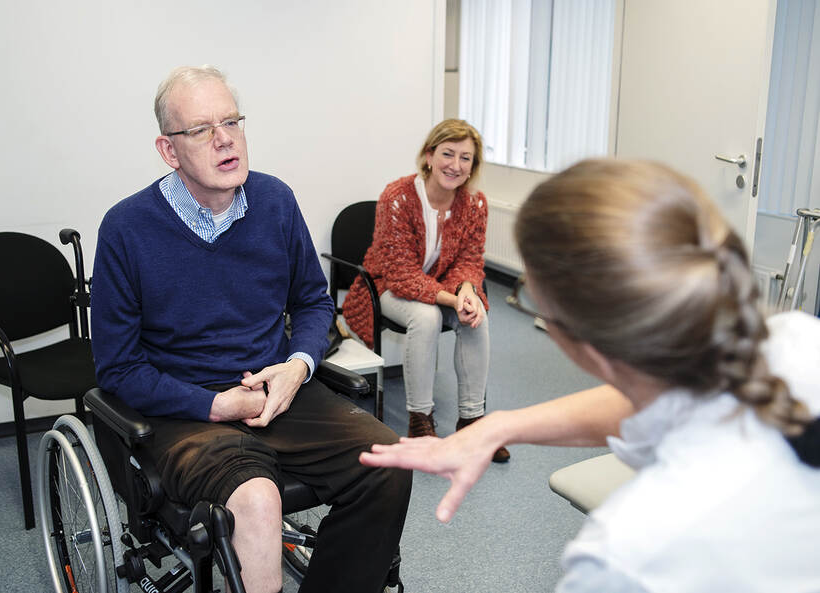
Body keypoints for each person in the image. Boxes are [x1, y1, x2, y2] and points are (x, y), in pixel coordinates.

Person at [360, 159, 820, 592]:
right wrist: (500, 425)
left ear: (579, 342)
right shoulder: (798, 337)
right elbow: (660, 399)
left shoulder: (625, 555)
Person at [90, 65, 411, 593]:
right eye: (200, 130)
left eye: (232, 122)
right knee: (259, 500)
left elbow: (311, 302)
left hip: (278, 393)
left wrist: (296, 367)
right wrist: (215, 405)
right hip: (186, 411)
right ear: (169, 151)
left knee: (388, 462)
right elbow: (118, 367)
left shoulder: (275, 202)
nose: (224, 140)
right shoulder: (127, 229)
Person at [341, 119, 510, 462]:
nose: (455, 165)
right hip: (388, 286)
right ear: (430, 155)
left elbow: (469, 260)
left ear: (472, 166)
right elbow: (400, 273)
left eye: (466, 158)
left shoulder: (475, 203)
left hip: (443, 285)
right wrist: (454, 298)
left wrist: (466, 292)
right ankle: (420, 422)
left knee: (477, 315)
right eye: (448, 154)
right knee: (427, 316)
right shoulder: (398, 197)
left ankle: (472, 420)